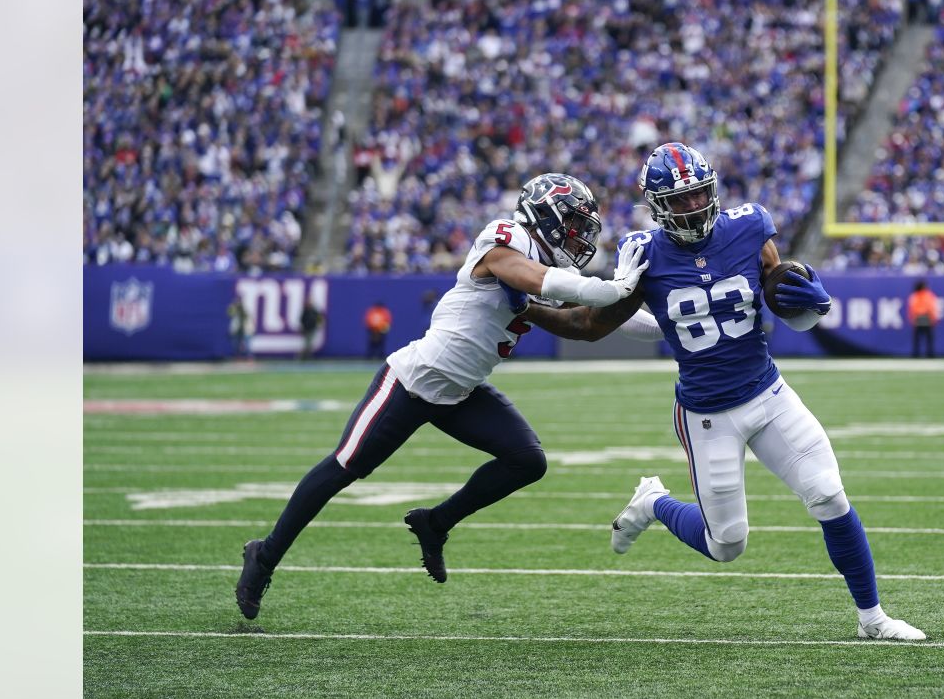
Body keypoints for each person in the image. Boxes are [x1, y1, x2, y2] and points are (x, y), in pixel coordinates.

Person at [511, 143, 925, 640]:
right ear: (658, 205)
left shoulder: (750, 227)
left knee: (829, 496)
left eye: (699, 194)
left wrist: (810, 301)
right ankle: (654, 501)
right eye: (680, 200)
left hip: (768, 394)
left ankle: (873, 619)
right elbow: (590, 325)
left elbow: (779, 289)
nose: (692, 206)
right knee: (726, 544)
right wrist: (527, 308)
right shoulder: (645, 252)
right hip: (707, 413)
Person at [236, 173, 652, 619]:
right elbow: (540, 280)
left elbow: (585, 324)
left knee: (527, 461)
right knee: (344, 468)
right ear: (544, 215)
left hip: (462, 392)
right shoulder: (504, 239)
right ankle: (264, 554)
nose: (578, 236)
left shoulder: (558, 270)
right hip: (412, 381)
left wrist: (662, 314)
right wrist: (615, 286)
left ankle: (435, 523)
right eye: (571, 224)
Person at [907, 280, 938, 358]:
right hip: (923, 317)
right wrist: (933, 317)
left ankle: (923, 354)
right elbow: (930, 307)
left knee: (923, 337)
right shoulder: (923, 295)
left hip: (922, 317)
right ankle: (924, 354)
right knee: (924, 337)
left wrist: (912, 318)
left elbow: (912, 308)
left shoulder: (918, 295)